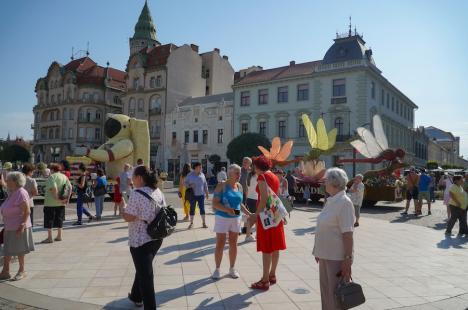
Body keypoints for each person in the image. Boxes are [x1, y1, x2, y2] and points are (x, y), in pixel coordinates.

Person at [122, 166, 165, 310]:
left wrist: (123, 207)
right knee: (142, 269)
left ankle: (150, 307)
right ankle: (136, 296)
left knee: (146, 276)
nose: (132, 180)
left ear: (139, 178)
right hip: (157, 237)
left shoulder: (136, 193)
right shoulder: (157, 191)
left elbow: (129, 217)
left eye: (133, 177)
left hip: (140, 240)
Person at [313, 168, 355, 310]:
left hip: (337, 258)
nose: (324, 184)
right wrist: (317, 250)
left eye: (326, 181)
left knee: (336, 297)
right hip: (325, 255)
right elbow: (322, 227)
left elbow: (348, 234)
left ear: (334, 183)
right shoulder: (331, 201)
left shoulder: (344, 203)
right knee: (326, 294)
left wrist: (347, 260)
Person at [250, 156, 286, 291]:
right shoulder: (274, 176)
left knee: (266, 248)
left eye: (254, 166)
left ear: (257, 166)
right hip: (276, 215)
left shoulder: (261, 177)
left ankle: (264, 280)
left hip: (266, 217)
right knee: (275, 246)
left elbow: (264, 199)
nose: (253, 168)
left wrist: (255, 215)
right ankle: (272, 275)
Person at [211, 164, 252, 279]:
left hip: (236, 218)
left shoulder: (239, 186)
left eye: (239, 173)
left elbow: (240, 203)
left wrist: (248, 212)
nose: (239, 175)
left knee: (234, 243)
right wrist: (227, 209)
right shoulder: (221, 186)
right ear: (230, 174)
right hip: (222, 218)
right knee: (220, 243)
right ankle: (217, 269)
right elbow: (214, 203)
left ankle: (232, 268)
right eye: (237, 173)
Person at [0, 172, 35, 281]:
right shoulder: (13, 192)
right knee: (8, 250)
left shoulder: (21, 193)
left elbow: (27, 211)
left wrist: (23, 224)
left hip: (19, 226)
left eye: (9, 180)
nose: (7, 182)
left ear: (15, 181)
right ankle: (5, 271)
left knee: (20, 250)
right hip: (10, 226)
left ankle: (22, 270)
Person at [42, 164, 72, 243]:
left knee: (49, 220)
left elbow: (54, 188)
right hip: (62, 203)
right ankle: (59, 236)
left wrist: (57, 198)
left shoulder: (52, 177)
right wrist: (67, 199)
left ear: (52, 169)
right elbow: (70, 187)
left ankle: (50, 237)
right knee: (59, 219)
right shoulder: (64, 176)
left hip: (50, 203)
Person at [184, 162, 209, 229]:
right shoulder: (190, 175)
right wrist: (189, 185)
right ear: (195, 167)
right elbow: (185, 183)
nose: (201, 168)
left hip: (201, 195)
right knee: (192, 209)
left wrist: (207, 193)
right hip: (193, 195)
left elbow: (205, 184)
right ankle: (191, 223)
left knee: (202, 209)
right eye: (200, 167)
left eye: (201, 167)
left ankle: (204, 223)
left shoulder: (202, 175)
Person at [244, 166, 258, 242]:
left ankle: (254, 235)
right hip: (255, 199)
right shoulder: (257, 176)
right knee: (253, 218)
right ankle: (248, 236)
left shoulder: (249, 176)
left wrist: (246, 199)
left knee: (253, 218)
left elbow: (246, 189)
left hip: (249, 199)